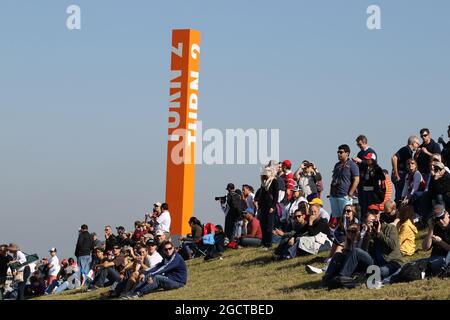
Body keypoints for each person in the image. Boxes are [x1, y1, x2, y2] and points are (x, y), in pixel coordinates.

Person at [334, 208, 403, 282]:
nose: (372, 224)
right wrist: (368, 235)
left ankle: (346, 278)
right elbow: (363, 252)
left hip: (391, 262)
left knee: (380, 271)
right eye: (369, 222)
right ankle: (334, 278)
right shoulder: (369, 233)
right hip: (376, 262)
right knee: (339, 255)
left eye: (373, 221)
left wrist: (379, 233)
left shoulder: (389, 228)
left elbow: (392, 245)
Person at [329, 144, 360, 226]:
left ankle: (348, 234)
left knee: (347, 217)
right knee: (337, 218)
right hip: (334, 194)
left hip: (344, 195)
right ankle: (340, 233)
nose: (339, 154)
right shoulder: (337, 165)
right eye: (338, 152)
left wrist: (350, 193)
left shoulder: (352, 165)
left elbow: (357, 179)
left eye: (341, 152)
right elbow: (333, 179)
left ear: (347, 153)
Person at [420, 205, 450, 275]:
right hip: (434, 258)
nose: (440, 221)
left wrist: (440, 242)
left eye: (442, 218)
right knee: (410, 265)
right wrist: (431, 228)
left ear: (447, 214)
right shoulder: (436, 227)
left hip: (445, 260)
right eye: (437, 219)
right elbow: (425, 248)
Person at [255, 167, 280, 249]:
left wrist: (273, 206)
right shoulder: (263, 183)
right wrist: (259, 206)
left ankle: (269, 244)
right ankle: (264, 243)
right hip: (263, 207)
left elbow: (276, 195)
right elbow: (261, 195)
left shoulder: (274, 181)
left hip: (270, 207)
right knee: (263, 225)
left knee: (269, 226)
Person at [392, 136, 421, 203]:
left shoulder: (409, 151)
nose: (418, 146)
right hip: (400, 173)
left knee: (401, 195)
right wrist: (396, 173)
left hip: (401, 173)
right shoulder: (406, 149)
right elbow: (394, 158)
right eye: (417, 143)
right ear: (413, 143)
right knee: (401, 195)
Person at [357, 153, 386, 220]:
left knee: (373, 210)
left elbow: (383, 182)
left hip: (373, 194)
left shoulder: (377, 169)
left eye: (368, 159)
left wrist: (381, 195)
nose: (367, 160)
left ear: (372, 160)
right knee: (365, 210)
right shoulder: (365, 167)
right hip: (365, 193)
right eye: (366, 159)